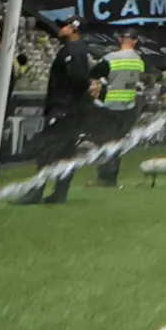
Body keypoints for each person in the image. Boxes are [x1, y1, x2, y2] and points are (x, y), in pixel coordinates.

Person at [23, 18, 102, 204]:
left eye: (64, 26)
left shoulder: (73, 50)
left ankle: (36, 192)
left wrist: (72, 101)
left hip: (63, 109)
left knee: (47, 152)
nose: (59, 28)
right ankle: (59, 193)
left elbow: (78, 79)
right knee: (65, 153)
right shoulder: (76, 49)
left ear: (74, 29)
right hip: (70, 110)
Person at [91, 29, 144, 187]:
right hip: (129, 106)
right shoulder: (138, 60)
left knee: (105, 142)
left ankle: (104, 178)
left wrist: (97, 86)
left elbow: (93, 73)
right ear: (135, 41)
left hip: (110, 105)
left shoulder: (112, 58)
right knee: (117, 144)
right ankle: (112, 176)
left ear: (121, 40)